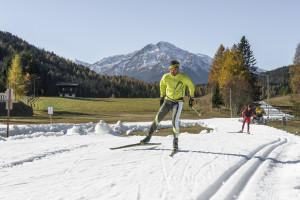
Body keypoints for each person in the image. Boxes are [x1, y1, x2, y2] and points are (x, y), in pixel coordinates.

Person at [140, 60, 195, 151]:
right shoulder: (166, 77)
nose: (172, 71)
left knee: (174, 121)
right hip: (167, 101)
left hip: (178, 102)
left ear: (177, 69)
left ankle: (175, 142)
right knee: (157, 119)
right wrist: (161, 97)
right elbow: (162, 85)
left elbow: (191, 86)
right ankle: (148, 137)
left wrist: (191, 98)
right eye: (171, 69)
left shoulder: (183, 77)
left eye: (174, 69)